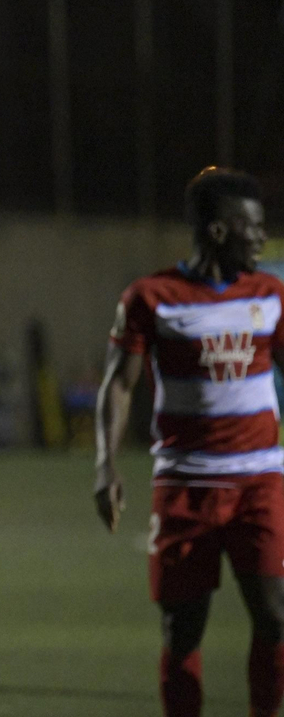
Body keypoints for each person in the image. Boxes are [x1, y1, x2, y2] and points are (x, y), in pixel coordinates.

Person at [95, 167, 284, 717]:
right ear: (219, 231)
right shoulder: (151, 298)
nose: (262, 238)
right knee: (183, 626)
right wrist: (106, 466)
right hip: (185, 486)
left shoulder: (270, 295)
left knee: (274, 616)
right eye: (252, 227)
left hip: (260, 481)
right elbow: (118, 385)